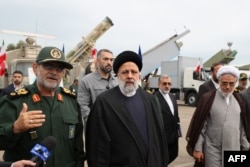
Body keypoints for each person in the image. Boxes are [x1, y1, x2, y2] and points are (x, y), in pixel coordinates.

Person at [0, 46, 85, 167]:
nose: (54, 72)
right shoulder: (14, 101)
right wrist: (15, 128)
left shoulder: (71, 101)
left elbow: (78, 147)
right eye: (48, 66)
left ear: (63, 73)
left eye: (59, 68)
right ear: (35, 68)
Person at [85, 50, 168, 167]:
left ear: (139, 75)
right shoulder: (104, 102)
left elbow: (159, 139)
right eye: (125, 72)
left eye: (133, 72)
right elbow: (97, 149)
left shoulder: (150, 100)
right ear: (117, 75)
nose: (129, 76)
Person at [186, 66, 250, 167]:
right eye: (224, 83)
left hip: (234, 149)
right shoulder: (208, 99)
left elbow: (242, 128)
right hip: (212, 149)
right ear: (219, 81)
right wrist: (198, 148)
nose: (228, 87)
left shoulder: (239, 100)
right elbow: (200, 127)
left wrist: (246, 146)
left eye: (231, 84)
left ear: (235, 83)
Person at [77, 49, 117, 126]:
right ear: (98, 61)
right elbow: (83, 106)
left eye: (111, 60)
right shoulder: (86, 81)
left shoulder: (117, 80)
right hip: (97, 127)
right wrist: (95, 122)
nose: (109, 62)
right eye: (105, 59)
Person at [155, 74, 180, 164]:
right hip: (162, 137)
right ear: (159, 84)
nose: (167, 86)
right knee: (162, 159)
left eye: (169, 84)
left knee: (173, 155)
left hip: (173, 136)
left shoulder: (172, 97)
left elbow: (175, 115)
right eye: (164, 83)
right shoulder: (154, 98)